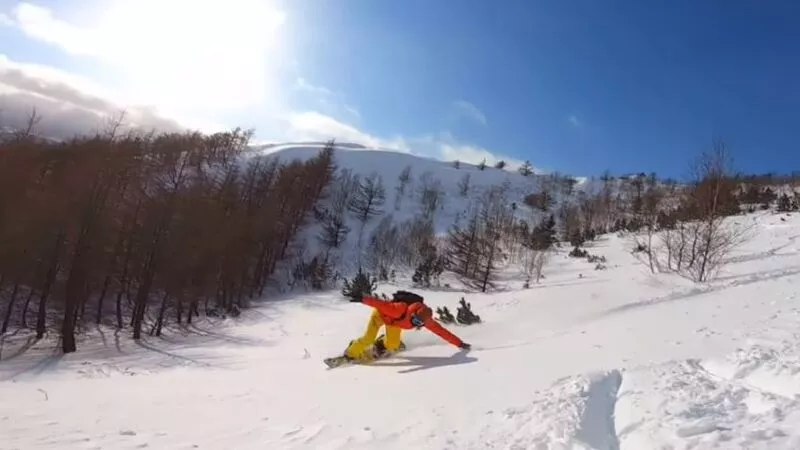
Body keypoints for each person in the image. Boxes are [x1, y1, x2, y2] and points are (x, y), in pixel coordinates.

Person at [343, 290, 471, 361]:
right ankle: (349, 353)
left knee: (393, 345)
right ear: (413, 313)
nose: (416, 324)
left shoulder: (425, 320)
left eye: (419, 324)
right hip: (380, 317)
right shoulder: (399, 309)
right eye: (415, 321)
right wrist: (362, 298)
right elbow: (380, 304)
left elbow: (442, 332)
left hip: (394, 324)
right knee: (368, 339)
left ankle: (381, 343)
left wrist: (459, 343)